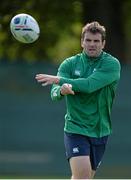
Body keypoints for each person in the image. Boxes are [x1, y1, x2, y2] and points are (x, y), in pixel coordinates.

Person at [35, 21, 121, 179]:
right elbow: (54, 94)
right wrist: (61, 89)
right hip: (75, 128)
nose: (92, 44)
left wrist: (58, 80)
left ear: (103, 44)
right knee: (82, 176)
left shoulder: (111, 64)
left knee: (83, 178)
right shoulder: (70, 63)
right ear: (82, 42)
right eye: (88, 40)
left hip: (100, 130)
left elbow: (89, 85)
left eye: (96, 41)